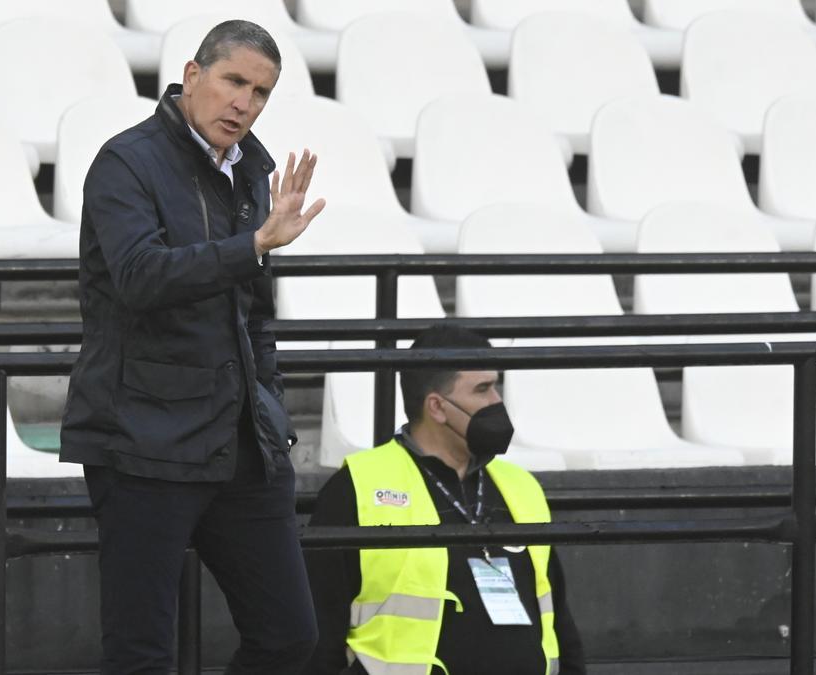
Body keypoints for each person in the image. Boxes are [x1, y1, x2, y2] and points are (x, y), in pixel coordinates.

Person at [59, 19, 326, 675]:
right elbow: (140, 277)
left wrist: (269, 404)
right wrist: (252, 247)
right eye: (235, 81)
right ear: (192, 75)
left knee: (290, 636)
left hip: (240, 442)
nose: (245, 103)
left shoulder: (252, 170)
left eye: (261, 92)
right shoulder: (127, 162)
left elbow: (254, 313)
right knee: (141, 654)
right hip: (144, 440)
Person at [303, 324, 586, 675]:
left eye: (495, 387)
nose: (497, 403)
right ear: (437, 407)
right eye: (482, 390)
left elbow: (560, 624)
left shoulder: (521, 488)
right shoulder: (357, 487)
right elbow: (319, 632)